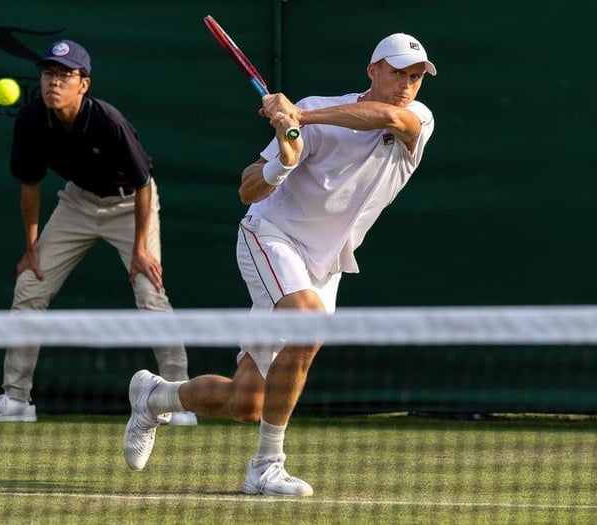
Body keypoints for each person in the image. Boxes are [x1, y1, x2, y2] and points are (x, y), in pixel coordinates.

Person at [122, 32, 436, 494]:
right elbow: (247, 189)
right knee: (309, 327)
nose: (407, 84)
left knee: (245, 401)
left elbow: (387, 117)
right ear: (373, 71)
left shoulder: (415, 118)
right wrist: (281, 164)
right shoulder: (315, 111)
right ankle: (266, 466)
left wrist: (297, 116)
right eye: (398, 73)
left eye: (415, 76)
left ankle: (154, 396)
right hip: (270, 237)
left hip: (324, 266)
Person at [0, 39, 197, 426]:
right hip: (77, 203)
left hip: (129, 205)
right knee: (30, 285)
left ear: (83, 84)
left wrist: (141, 248)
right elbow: (29, 186)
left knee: (149, 292)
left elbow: (144, 184)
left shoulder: (109, 121)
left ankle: (177, 398)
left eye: (64, 75)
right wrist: (31, 247)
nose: (53, 82)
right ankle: (16, 400)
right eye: (48, 73)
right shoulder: (31, 120)